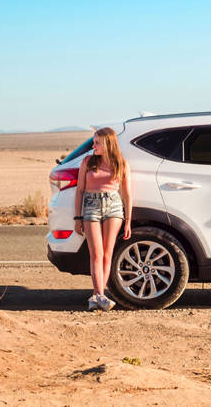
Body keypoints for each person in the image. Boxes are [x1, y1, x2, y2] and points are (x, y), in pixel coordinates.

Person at [74, 127, 132, 311]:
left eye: (97, 142)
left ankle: (97, 296)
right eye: (94, 142)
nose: (93, 145)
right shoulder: (88, 161)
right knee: (96, 254)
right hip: (91, 205)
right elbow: (80, 190)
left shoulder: (121, 163)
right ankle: (100, 295)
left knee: (108, 253)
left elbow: (127, 194)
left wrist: (129, 220)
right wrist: (78, 217)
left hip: (114, 206)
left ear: (108, 143)